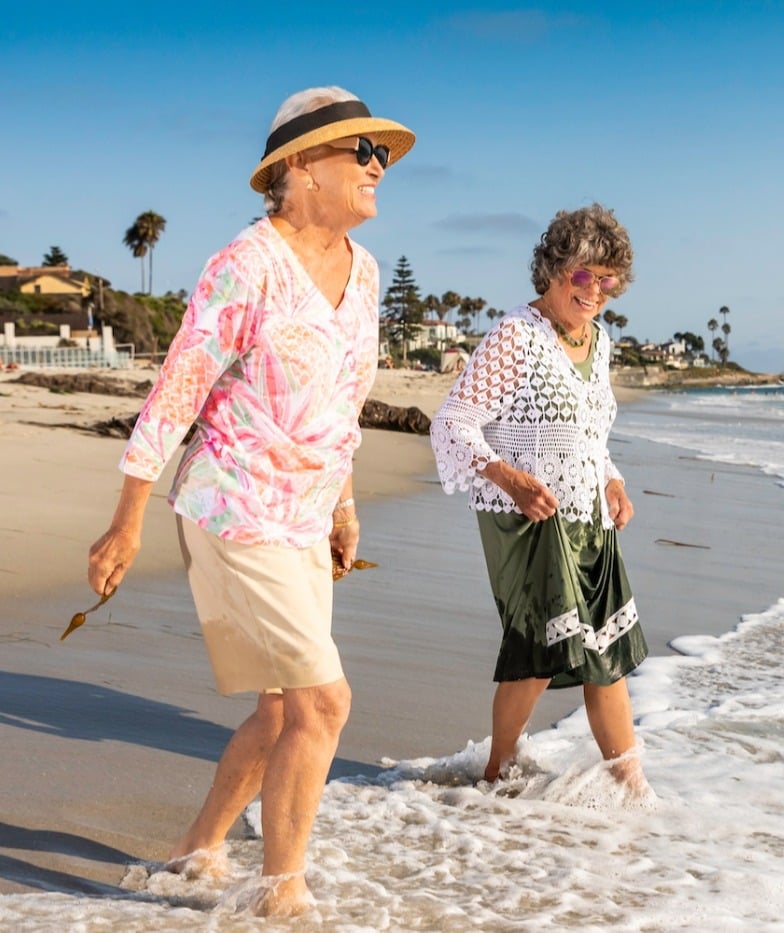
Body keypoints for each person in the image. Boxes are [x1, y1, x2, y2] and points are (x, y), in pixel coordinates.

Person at [87, 85, 414, 917]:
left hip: (304, 513)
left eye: (382, 154)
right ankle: (283, 895)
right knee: (323, 702)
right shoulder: (247, 264)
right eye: (362, 152)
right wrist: (126, 517)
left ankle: (197, 851)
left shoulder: (367, 271)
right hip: (233, 506)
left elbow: (344, 401)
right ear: (301, 167)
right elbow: (177, 389)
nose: (379, 166)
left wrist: (343, 507)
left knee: (280, 711)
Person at [430, 204, 650, 791]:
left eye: (608, 281)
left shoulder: (599, 342)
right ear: (553, 270)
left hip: (587, 520)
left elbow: (588, 432)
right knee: (537, 657)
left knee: (606, 659)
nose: (596, 291)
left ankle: (635, 796)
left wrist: (614, 479)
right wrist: (510, 479)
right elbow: (452, 423)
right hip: (528, 520)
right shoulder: (516, 336)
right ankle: (495, 774)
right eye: (584, 276)